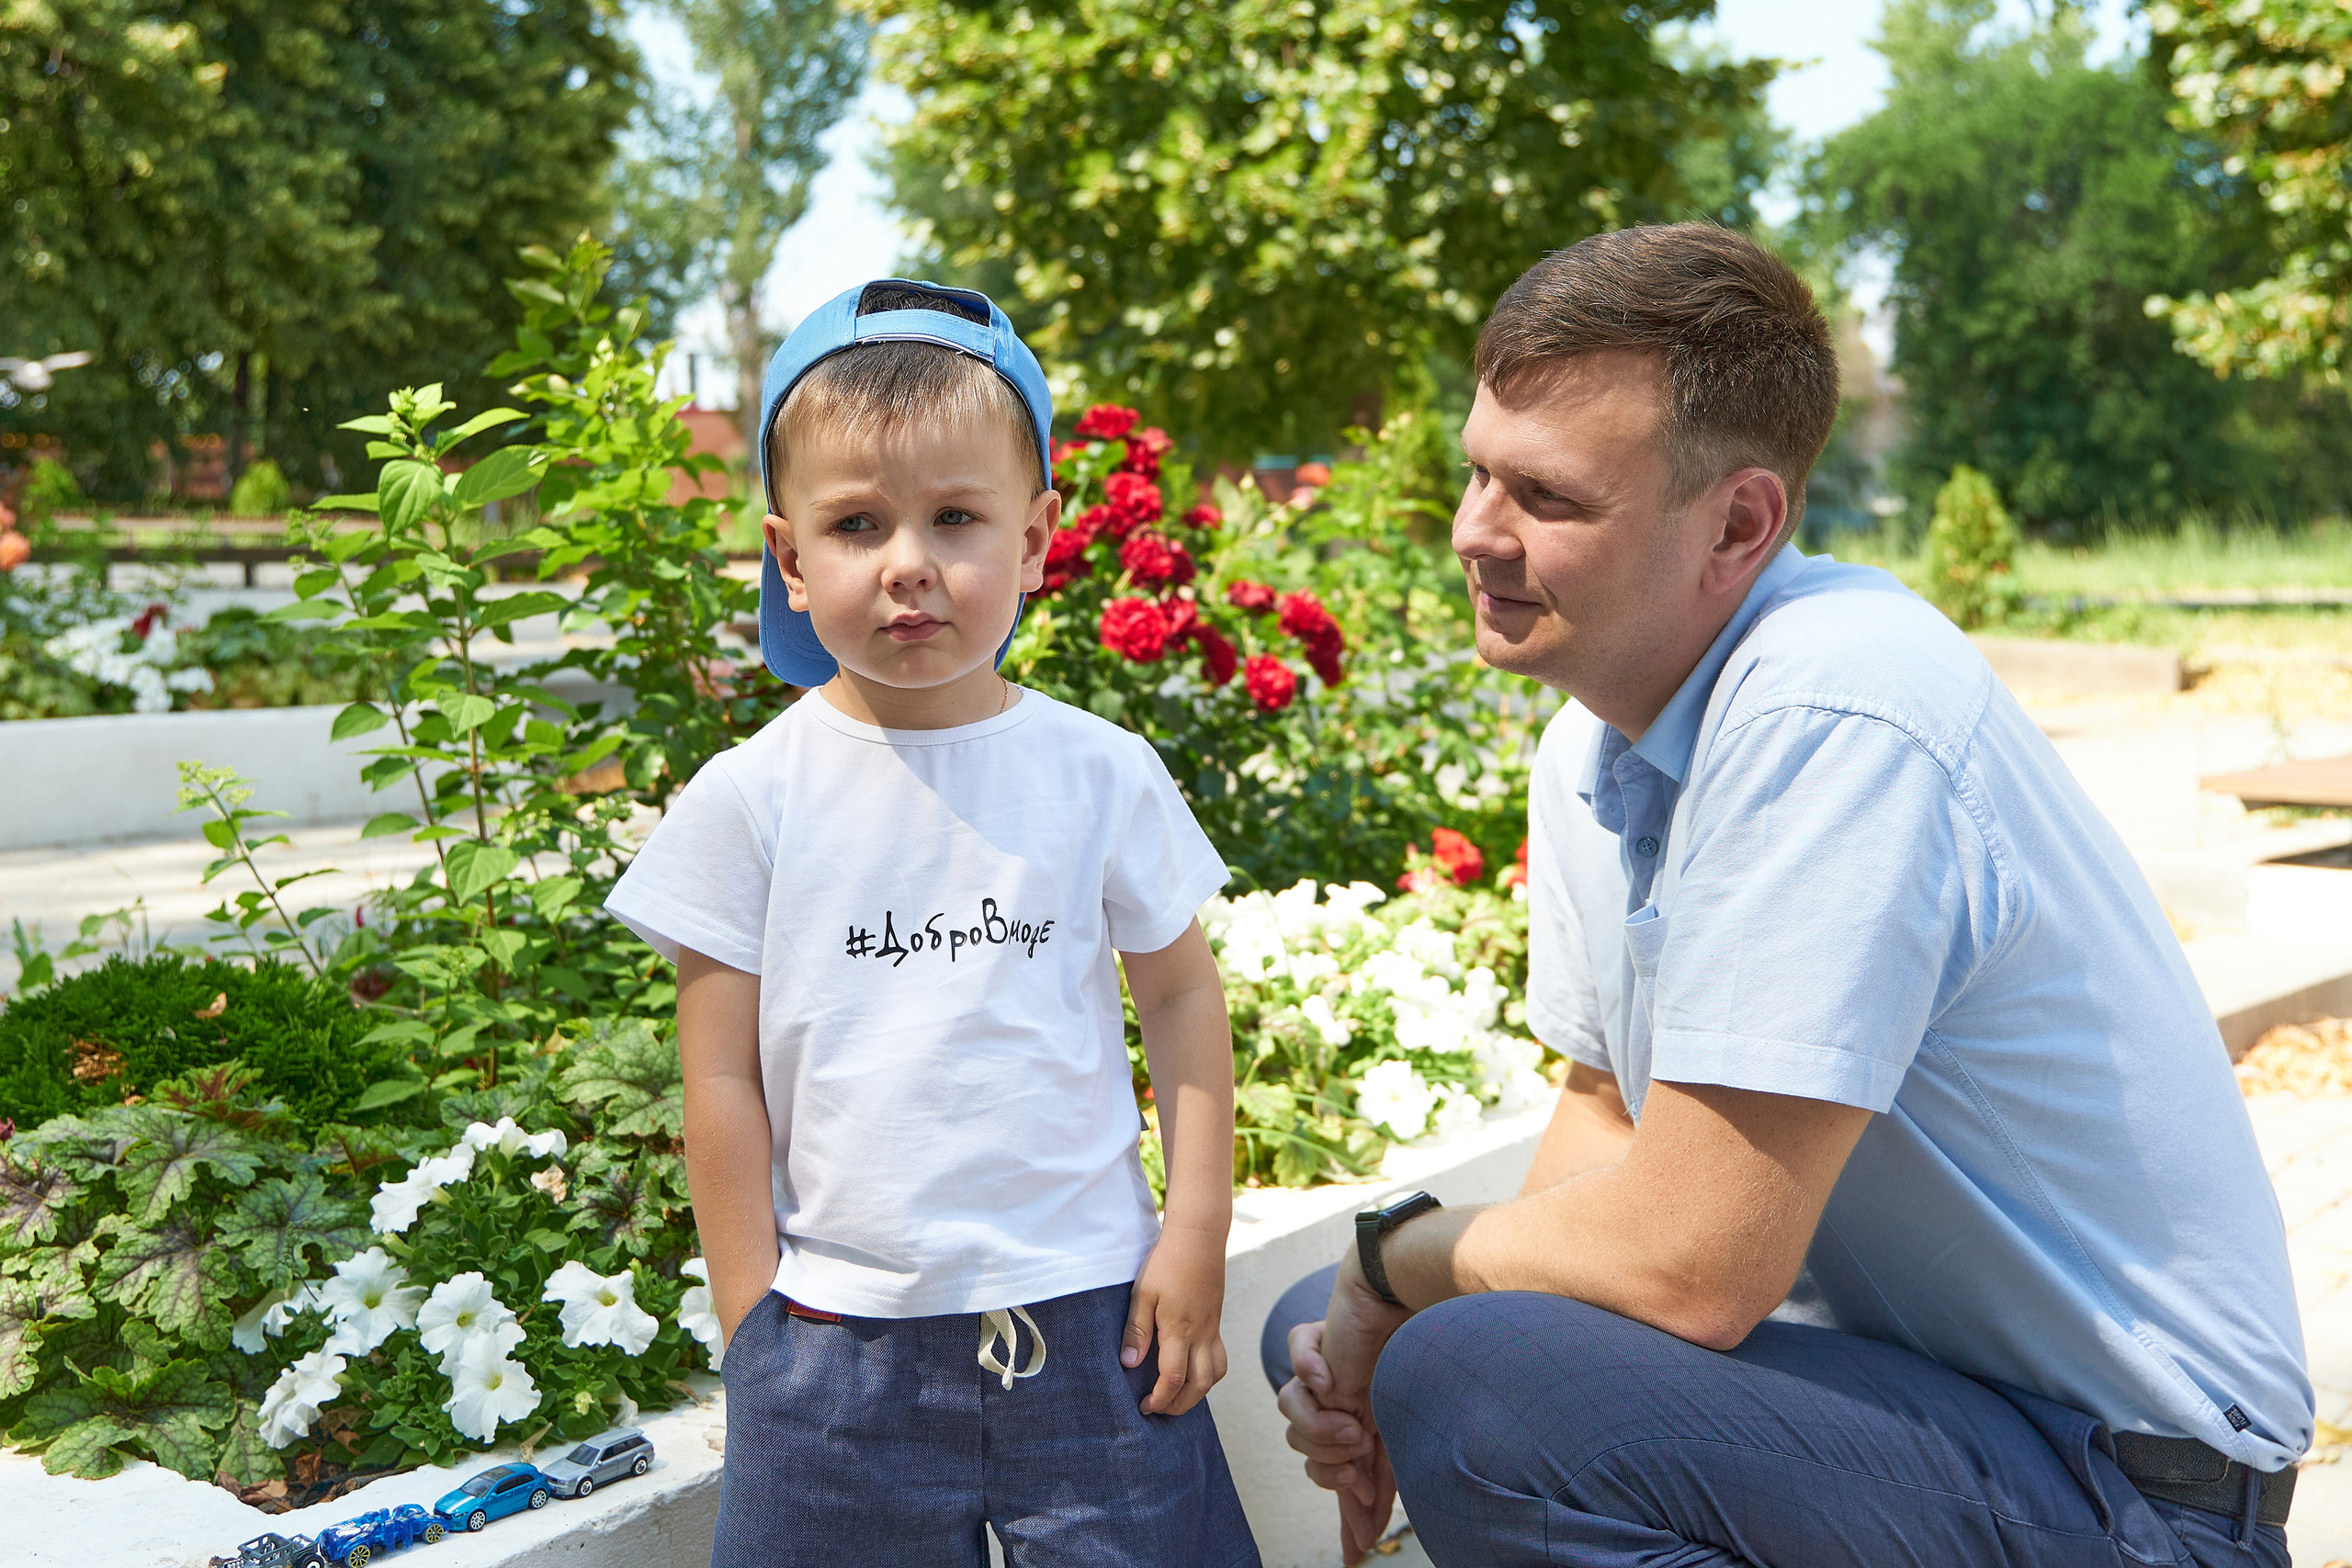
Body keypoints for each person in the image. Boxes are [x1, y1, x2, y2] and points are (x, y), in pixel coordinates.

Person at [1264, 224, 2311, 1568]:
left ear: (1741, 522)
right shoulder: (1597, 732)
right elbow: (1604, 1113)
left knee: (1463, 1365)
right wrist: (1374, 1295)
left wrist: (1389, 1266)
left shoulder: (1837, 706)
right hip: (1949, 1420)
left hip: (2136, 1497)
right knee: (1325, 1317)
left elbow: (1696, 1268)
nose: (1476, 532)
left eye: (1548, 497)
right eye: (1476, 475)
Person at [606, 279, 1259, 1568]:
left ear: (1034, 539)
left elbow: (1181, 999)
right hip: (836, 1354)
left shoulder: (1100, 771)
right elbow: (720, 1077)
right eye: (857, 523)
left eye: (956, 516)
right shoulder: (750, 799)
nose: (909, 562)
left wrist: (1194, 1238)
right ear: (790, 558)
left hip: (1098, 1324)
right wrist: (754, 1327)